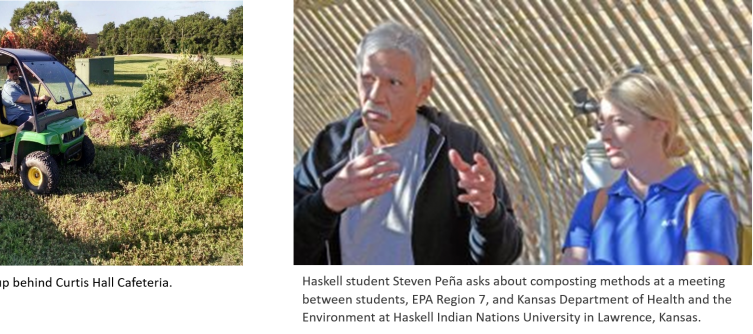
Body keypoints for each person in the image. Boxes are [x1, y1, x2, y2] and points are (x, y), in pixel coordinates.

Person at [292, 21, 522, 266]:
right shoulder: (332, 148)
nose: (375, 95)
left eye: (394, 83)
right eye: (368, 79)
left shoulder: (458, 147)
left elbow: (501, 257)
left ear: (423, 90)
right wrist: (326, 202)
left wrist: (487, 211)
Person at [561, 71, 738, 266]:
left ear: (659, 128)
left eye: (619, 121)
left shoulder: (705, 208)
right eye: (601, 124)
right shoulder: (592, 206)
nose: (605, 135)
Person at [2, 62, 51, 126]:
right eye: (12, 71)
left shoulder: (23, 80)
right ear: (8, 73)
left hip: (32, 111)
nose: (15, 73)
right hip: (18, 116)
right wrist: (39, 98)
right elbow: (22, 99)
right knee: (35, 121)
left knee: (51, 115)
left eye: (16, 70)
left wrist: (42, 99)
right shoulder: (8, 87)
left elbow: (34, 93)